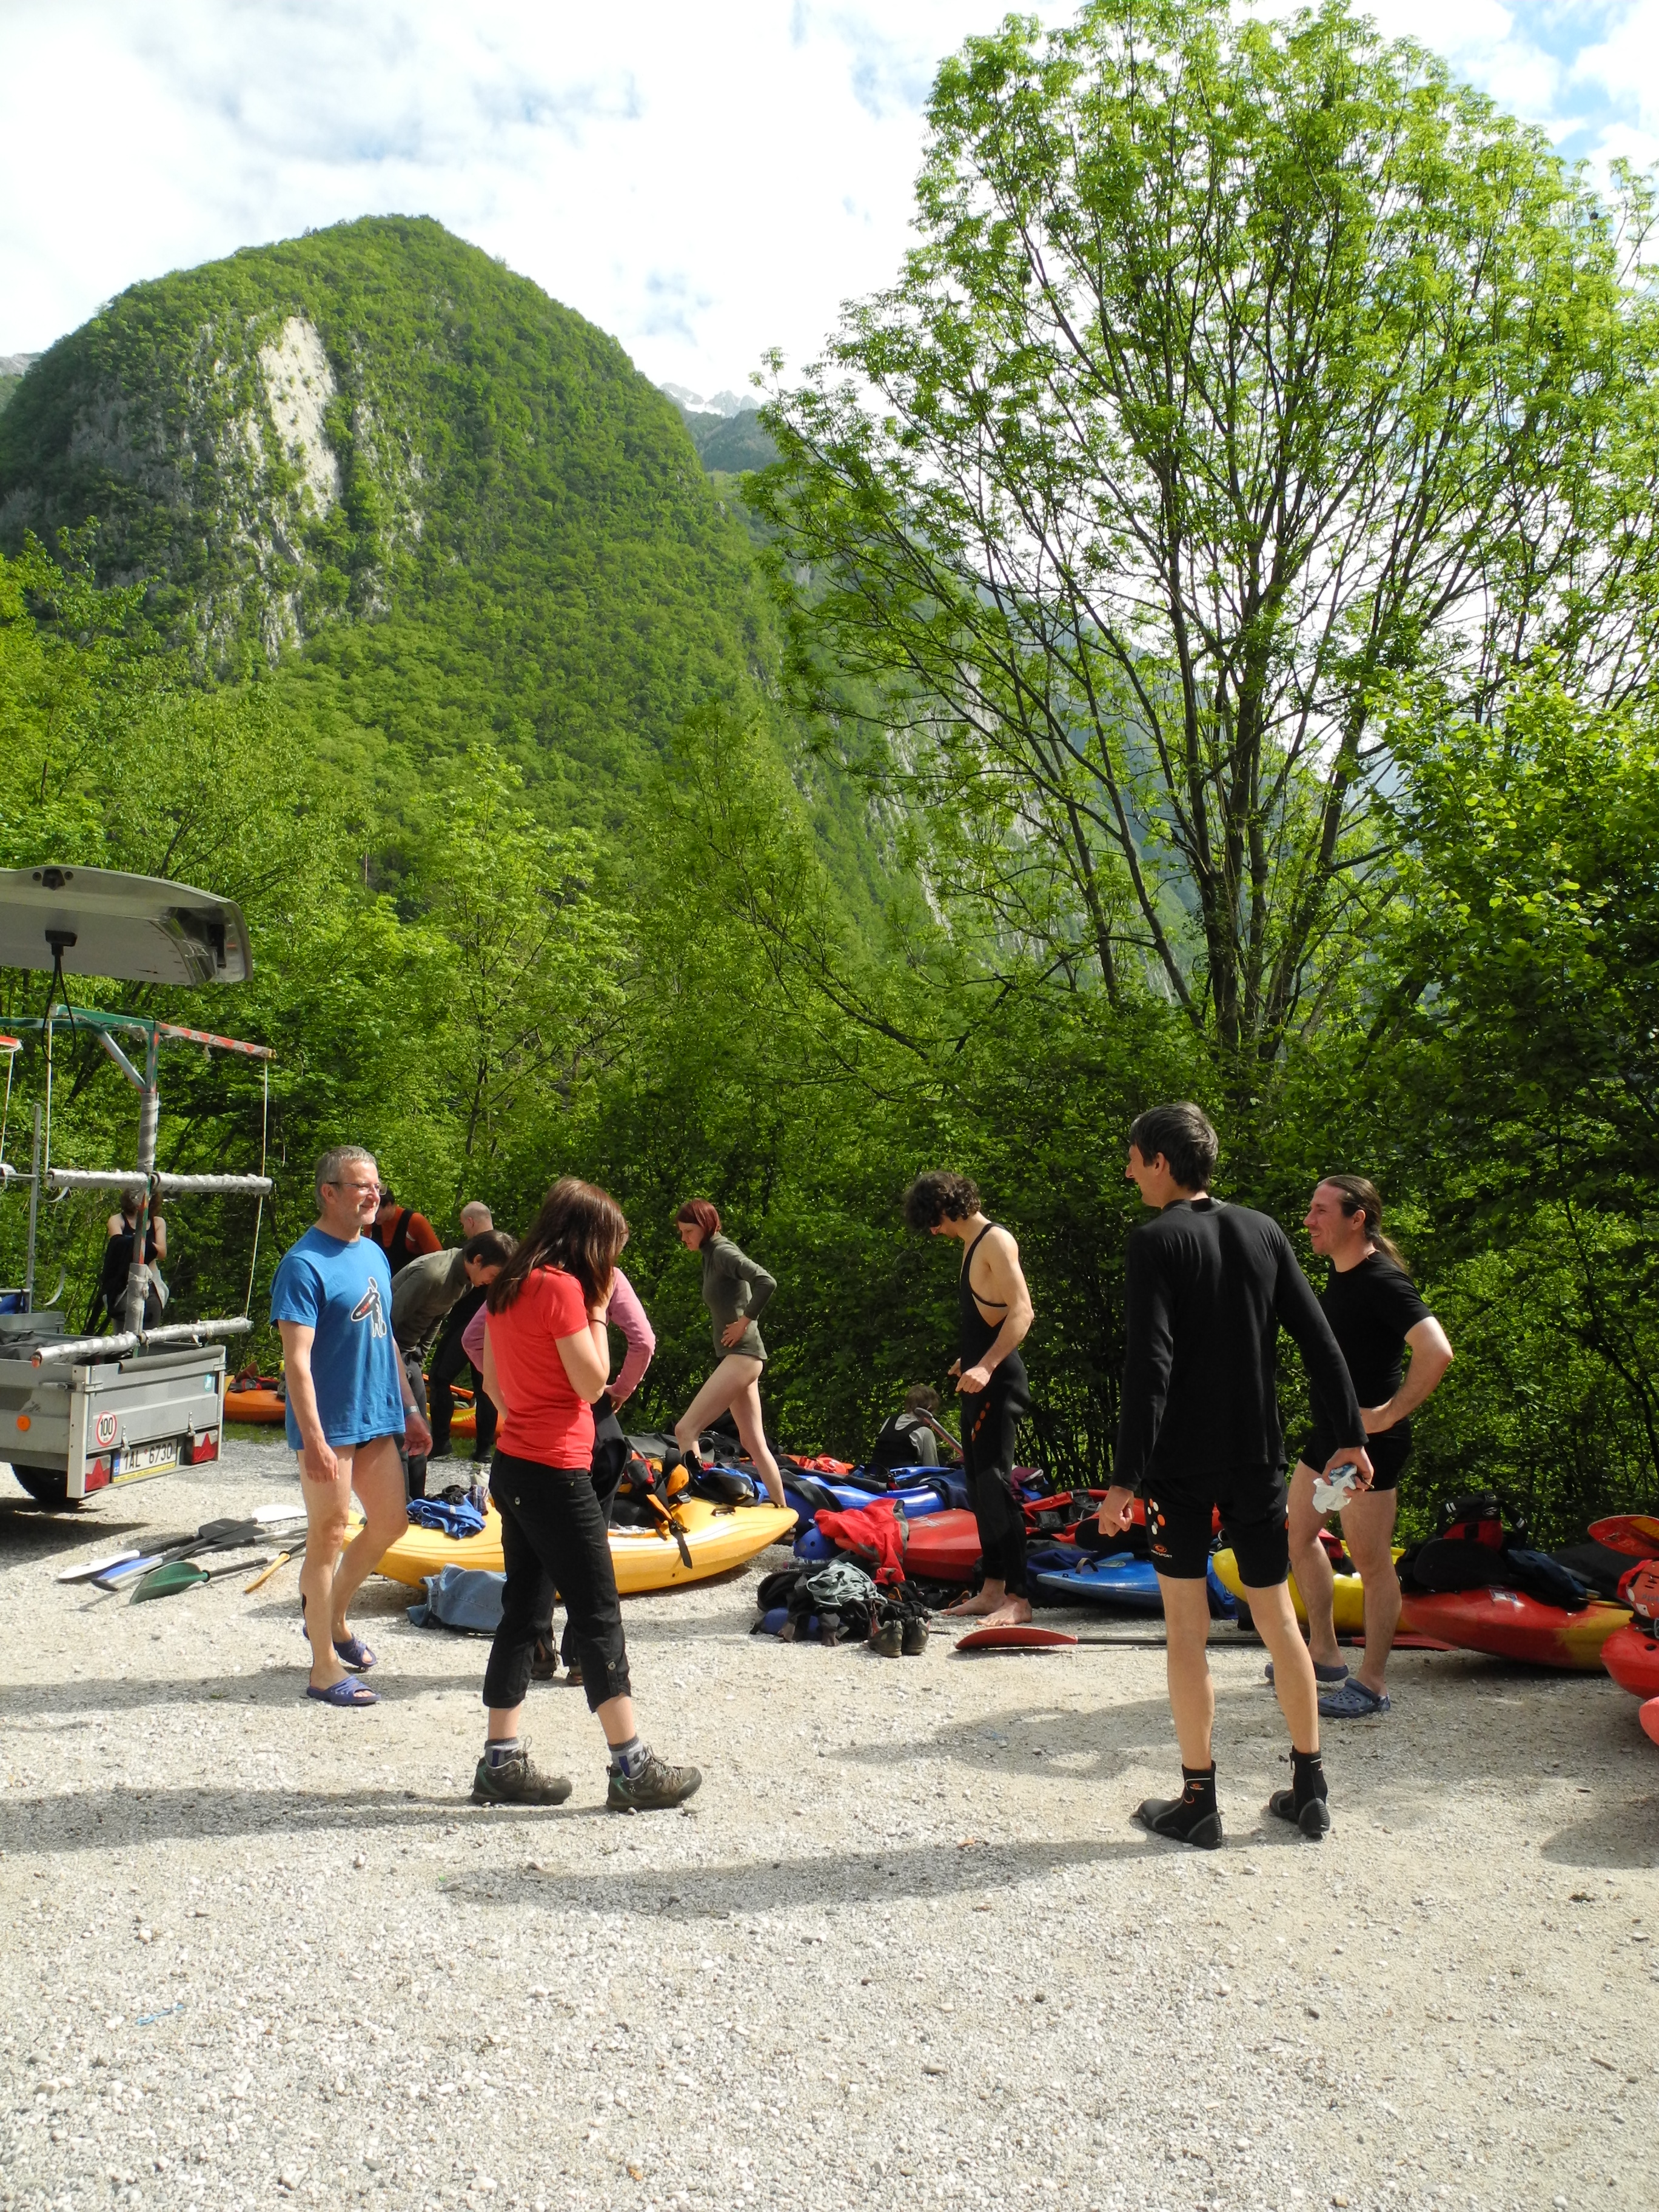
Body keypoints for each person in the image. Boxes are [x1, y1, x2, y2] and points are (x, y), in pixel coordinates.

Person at [1095, 1103, 1372, 1847]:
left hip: (1180, 1467)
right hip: (1257, 1456)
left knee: (1187, 1632)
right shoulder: (1263, 1230)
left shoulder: (1154, 1241)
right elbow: (1320, 1341)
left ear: (1160, 1161)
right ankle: (1310, 1788)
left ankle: (1199, 1803)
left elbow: (1150, 1365)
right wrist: (1349, 1437)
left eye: (1133, 1157)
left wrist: (1124, 1480)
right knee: (1279, 1619)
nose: (1128, 1170)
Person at [472, 1175, 700, 1811]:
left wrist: (530, 1415)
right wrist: (598, 1310)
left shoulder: (509, 1284)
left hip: (515, 1464)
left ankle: (500, 1763)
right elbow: (593, 1381)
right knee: (598, 1613)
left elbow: (492, 1386)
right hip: (556, 1472)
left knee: (523, 1612)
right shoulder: (563, 1289)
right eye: (614, 1245)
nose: (616, 1258)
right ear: (591, 1239)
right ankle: (634, 1769)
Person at [272, 1145, 433, 1709]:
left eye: (376, 1185)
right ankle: (323, 1668)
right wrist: (314, 1440)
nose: (374, 1194)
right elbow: (296, 1363)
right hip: (330, 1424)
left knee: (390, 1523)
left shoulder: (373, 1254)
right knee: (328, 1535)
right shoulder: (303, 1265)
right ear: (329, 1192)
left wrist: (410, 1409)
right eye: (362, 1185)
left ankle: (332, 1618)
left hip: (376, 1416)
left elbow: (386, 1338)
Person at [1289, 1176, 1454, 1721]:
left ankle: (1373, 1683)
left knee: (1371, 1561)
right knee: (1299, 1534)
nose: (1309, 1220)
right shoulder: (1342, 1274)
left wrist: (1387, 1415)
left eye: (1321, 1210)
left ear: (1356, 1218)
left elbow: (1437, 1350)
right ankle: (1324, 1654)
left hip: (1369, 1445)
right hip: (1330, 1438)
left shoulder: (1382, 1279)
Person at [902, 1173, 1035, 1625]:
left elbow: (1022, 1312)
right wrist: (972, 1359)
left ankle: (1019, 1598)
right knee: (978, 1488)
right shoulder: (971, 1243)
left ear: (945, 1208)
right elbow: (989, 1319)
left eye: (932, 1221)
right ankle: (993, 1589)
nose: (933, 1231)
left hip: (999, 1382)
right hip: (979, 1380)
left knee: (995, 1486)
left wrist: (987, 1365)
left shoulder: (996, 1240)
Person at [670, 1200, 784, 1507]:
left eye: (688, 1231)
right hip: (740, 1358)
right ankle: (785, 1513)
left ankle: (693, 1508)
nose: (684, 1238)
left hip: (743, 1357)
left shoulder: (722, 1252)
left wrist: (744, 1322)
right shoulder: (710, 1255)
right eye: (681, 1232)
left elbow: (766, 1281)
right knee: (753, 1442)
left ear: (706, 1226)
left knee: (686, 1430)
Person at [391, 1232, 517, 1497]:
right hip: (387, 1354)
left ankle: (417, 1503)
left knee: (421, 1434)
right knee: (402, 1436)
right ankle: (399, 1508)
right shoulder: (433, 1274)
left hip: (409, 1356)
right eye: (494, 1275)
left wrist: (419, 1357)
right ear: (478, 1260)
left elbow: (439, 1316)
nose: (492, 1283)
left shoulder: (466, 1281)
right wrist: (398, 1365)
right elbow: (386, 1322)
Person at [426, 1201, 498, 1463]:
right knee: (486, 1387)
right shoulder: (507, 1248)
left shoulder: (474, 1250)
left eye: (463, 1224)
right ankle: (483, 1450)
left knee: (439, 1377)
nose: (464, 1230)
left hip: (467, 1323)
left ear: (470, 1222)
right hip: (493, 1328)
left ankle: (441, 1442)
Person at [89, 1187, 167, 1332]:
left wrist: (142, 1243)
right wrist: (136, 1243)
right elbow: (118, 1246)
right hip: (123, 1282)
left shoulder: (158, 1222)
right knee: (122, 1332)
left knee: (150, 1331)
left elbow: (162, 1253)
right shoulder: (117, 1220)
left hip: (151, 1282)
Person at [369, 1185, 440, 1278]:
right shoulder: (370, 1224)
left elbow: (439, 1260)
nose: (373, 1216)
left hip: (413, 1281)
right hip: (384, 1280)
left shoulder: (415, 1221)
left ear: (389, 1205)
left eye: (376, 1211)